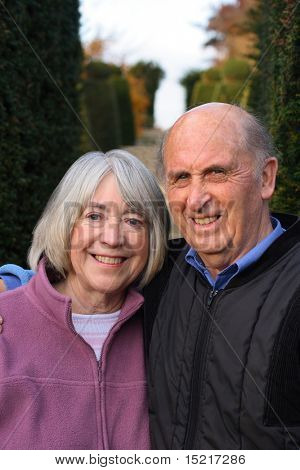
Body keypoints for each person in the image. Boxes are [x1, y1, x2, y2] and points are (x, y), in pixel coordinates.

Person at [145, 103, 300, 449]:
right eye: (181, 178)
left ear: (265, 178)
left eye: (216, 172)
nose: (196, 199)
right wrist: (16, 283)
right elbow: (89, 275)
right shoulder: (156, 272)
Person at [0, 149, 170, 450]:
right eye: (93, 216)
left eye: (133, 220)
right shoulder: (5, 326)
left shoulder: (166, 327)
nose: (113, 238)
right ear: (65, 227)